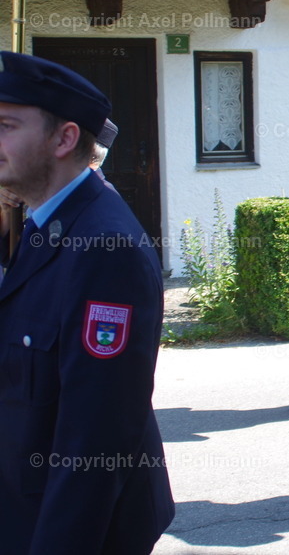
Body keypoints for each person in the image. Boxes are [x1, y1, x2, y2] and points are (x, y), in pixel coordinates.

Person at [0, 51, 174, 553]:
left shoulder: (103, 249)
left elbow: (96, 442)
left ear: (65, 138)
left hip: (66, 526)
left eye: (7, 125)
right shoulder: (44, 222)